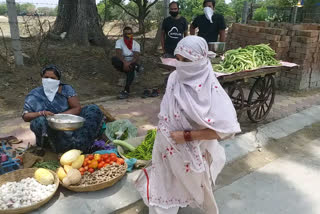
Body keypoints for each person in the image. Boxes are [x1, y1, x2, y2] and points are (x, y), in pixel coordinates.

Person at [135, 36, 241, 214]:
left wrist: (187, 136)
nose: (181, 64)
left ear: (200, 60)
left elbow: (226, 131)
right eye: (178, 59)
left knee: (185, 183)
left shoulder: (210, 90)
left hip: (190, 149)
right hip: (165, 146)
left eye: (187, 60)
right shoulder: (174, 78)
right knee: (164, 185)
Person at [22, 65, 104, 153]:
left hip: (69, 125)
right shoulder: (35, 94)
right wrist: (41, 113)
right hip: (49, 131)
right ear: (42, 78)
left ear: (58, 80)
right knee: (39, 121)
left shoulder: (66, 89)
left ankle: (82, 145)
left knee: (93, 109)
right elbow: (25, 116)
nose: (49, 80)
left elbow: (76, 108)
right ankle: (53, 147)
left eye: (53, 78)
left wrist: (58, 117)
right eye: (46, 77)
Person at [112, 27, 141, 99]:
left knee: (131, 67)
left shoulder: (136, 44)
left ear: (132, 34)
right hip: (122, 61)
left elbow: (136, 56)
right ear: (123, 34)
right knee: (114, 59)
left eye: (129, 33)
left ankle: (126, 90)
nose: (127, 35)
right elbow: (118, 53)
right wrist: (125, 62)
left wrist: (128, 63)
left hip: (131, 61)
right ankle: (136, 67)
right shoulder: (119, 42)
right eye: (126, 34)